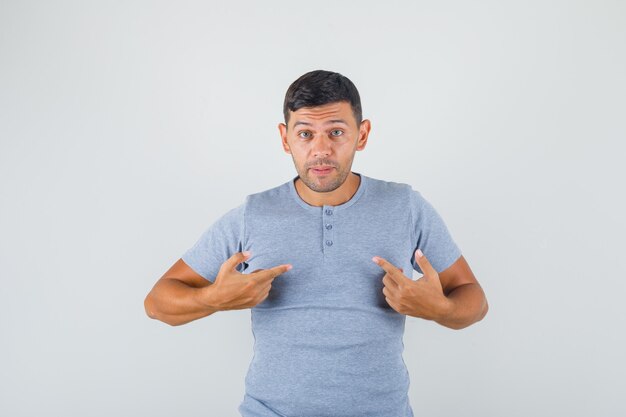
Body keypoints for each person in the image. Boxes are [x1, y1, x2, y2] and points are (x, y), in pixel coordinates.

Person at [144, 69, 489, 417]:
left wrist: (440, 309)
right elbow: (157, 303)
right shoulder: (252, 214)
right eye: (305, 134)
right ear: (285, 138)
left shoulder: (406, 206)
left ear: (362, 134)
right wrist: (213, 299)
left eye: (336, 132)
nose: (320, 150)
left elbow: (474, 298)